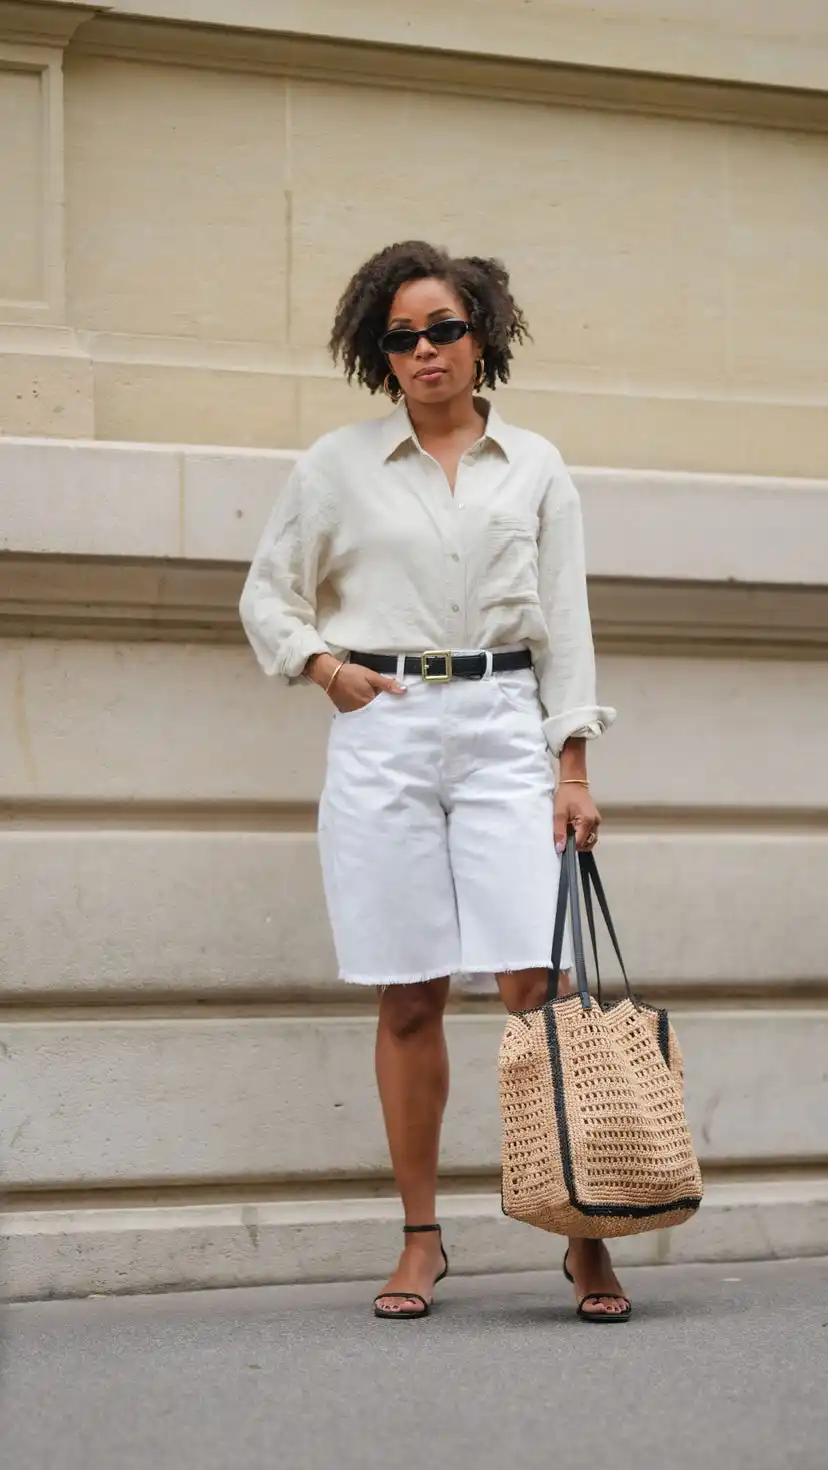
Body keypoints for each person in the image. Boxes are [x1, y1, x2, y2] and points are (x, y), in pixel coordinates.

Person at [239, 240, 628, 1322]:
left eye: (443, 330)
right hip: (388, 728)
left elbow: (567, 625)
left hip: (506, 722)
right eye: (401, 336)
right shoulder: (335, 465)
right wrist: (323, 668)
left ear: (480, 337)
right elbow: (268, 595)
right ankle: (420, 1239)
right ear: (381, 350)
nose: (423, 351)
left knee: (532, 988)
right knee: (407, 991)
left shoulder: (537, 466)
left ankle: (582, 1229)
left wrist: (572, 766)